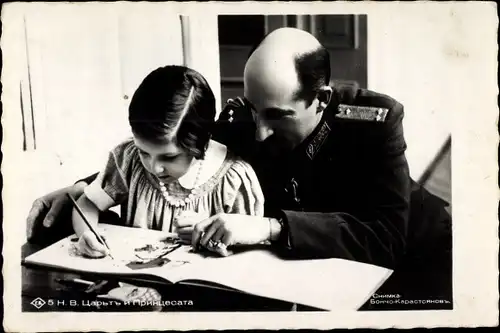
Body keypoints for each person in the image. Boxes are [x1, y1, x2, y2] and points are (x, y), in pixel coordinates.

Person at [26, 28, 451, 302]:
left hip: (418, 262)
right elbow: (181, 152)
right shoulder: (245, 118)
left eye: (278, 116)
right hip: (312, 273)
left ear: (320, 99)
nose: (260, 132)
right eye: (253, 109)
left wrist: (270, 227)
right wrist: (80, 187)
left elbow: (385, 236)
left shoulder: (373, 122)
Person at [69, 65, 265, 258]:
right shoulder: (129, 160)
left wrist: (212, 233)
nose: (154, 168)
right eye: (144, 152)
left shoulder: (234, 179)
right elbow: (87, 203)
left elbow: (249, 256)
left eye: (169, 157)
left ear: (201, 142)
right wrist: (86, 233)